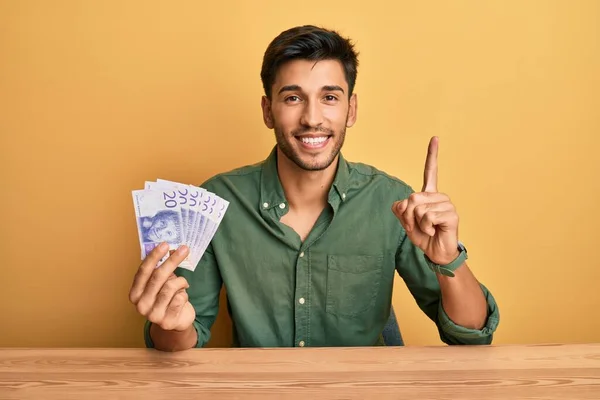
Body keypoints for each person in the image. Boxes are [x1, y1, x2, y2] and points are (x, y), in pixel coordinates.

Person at [128, 25, 500, 351]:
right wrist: (169, 324)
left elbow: (472, 336)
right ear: (268, 110)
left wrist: (448, 258)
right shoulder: (216, 203)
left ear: (350, 110)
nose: (312, 118)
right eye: (293, 98)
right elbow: (182, 337)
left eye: (329, 97)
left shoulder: (392, 202)